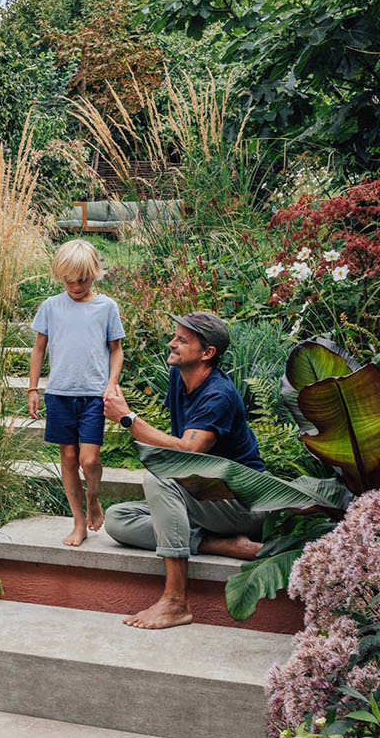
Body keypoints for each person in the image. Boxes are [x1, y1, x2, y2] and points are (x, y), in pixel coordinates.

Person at [102, 312, 269, 630]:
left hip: (242, 503)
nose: (171, 343)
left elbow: (188, 453)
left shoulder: (218, 395)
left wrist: (128, 418)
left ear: (207, 353)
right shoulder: (180, 377)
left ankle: (176, 602)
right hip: (205, 500)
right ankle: (216, 543)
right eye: (174, 336)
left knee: (160, 477)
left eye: (182, 340)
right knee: (118, 520)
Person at [28, 239, 125, 546]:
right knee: (68, 458)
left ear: (94, 274)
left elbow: (117, 349)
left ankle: (93, 497)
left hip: (94, 396)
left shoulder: (106, 307)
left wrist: (111, 383)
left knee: (89, 461)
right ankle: (79, 522)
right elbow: (39, 348)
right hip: (59, 395)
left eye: (82, 280)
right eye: (69, 280)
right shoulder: (51, 306)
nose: (75, 285)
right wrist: (33, 387)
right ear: (60, 276)